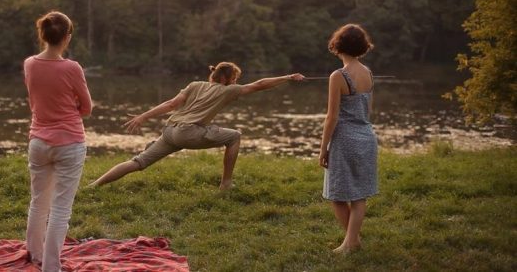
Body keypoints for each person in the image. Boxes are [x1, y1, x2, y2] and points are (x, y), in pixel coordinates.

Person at [88, 62, 305, 190]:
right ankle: (226, 184)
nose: (236, 81)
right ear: (228, 78)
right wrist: (288, 77)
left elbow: (171, 104)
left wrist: (144, 116)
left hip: (170, 131)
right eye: (235, 78)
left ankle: (94, 186)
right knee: (235, 136)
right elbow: (259, 85)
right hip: (188, 132)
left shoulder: (194, 85)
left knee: (138, 161)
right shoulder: (228, 90)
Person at [23, 11, 92, 271]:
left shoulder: (29, 63)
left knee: (38, 201)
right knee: (61, 208)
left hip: (38, 142)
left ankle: (33, 254)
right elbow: (86, 108)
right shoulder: (72, 67)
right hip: (69, 144)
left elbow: (37, 99)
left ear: (42, 35)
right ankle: (51, 267)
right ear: (67, 37)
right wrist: (70, 105)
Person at [319, 24, 378, 254]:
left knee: (337, 194)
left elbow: (331, 117)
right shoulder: (369, 73)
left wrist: (323, 148)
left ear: (338, 45)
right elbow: (368, 111)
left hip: (344, 141)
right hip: (366, 137)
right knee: (359, 194)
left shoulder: (338, 76)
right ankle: (353, 241)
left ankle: (351, 242)